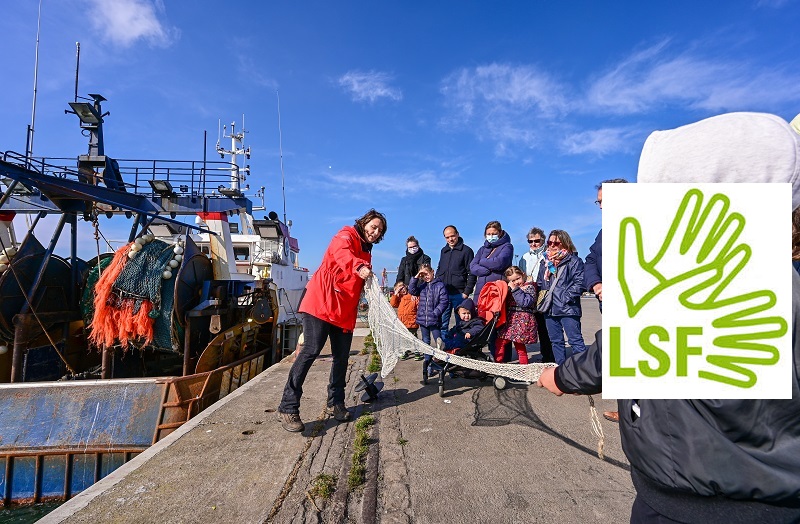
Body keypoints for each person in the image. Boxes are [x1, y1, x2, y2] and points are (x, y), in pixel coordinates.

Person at [538, 111, 800, 523]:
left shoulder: (692, 266)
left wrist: (560, 376)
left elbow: (625, 345)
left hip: (684, 500)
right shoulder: (778, 273)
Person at [277, 209, 387, 433]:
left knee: (342, 358)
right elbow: (342, 254)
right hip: (322, 302)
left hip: (344, 310)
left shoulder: (367, 252)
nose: (375, 232)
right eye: (373, 227)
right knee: (310, 350)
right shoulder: (346, 235)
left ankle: (335, 403)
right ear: (364, 223)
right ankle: (288, 407)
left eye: (380, 231)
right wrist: (359, 267)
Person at [584, 178, 628, 423]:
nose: (601, 207)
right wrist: (597, 284)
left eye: (605, 201)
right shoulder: (604, 231)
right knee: (621, 354)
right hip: (607, 301)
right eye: (598, 202)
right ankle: (627, 408)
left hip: (632, 304)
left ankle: (641, 412)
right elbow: (591, 259)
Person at [535, 229, 586, 365]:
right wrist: (542, 300)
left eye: (556, 243)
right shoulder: (545, 262)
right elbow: (541, 283)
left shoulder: (574, 261)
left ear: (564, 243)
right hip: (549, 308)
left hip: (567, 307)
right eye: (549, 242)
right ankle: (561, 370)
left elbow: (580, 283)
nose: (552, 245)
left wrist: (565, 297)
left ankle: (583, 370)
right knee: (556, 341)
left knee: (575, 340)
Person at [519, 227, 554, 363]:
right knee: (537, 327)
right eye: (530, 241)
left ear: (543, 240)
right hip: (530, 294)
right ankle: (543, 355)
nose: (533, 244)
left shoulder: (548, 254)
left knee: (546, 328)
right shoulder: (524, 257)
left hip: (544, 292)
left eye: (537, 241)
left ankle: (549, 357)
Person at [408, 263, 449, 377]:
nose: (426, 277)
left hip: (434, 319)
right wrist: (416, 277)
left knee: (438, 340)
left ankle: (440, 359)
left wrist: (435, 313)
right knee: (426, 342)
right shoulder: (422, 286)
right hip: (423, 320)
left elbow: (444, 301)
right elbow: (412, 290)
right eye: (423, 275)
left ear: (432, 272)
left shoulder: (440, 285)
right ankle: (429, 365)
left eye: (427, 274)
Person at [436, 225, 476, 332]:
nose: (450, 239)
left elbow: (472, 273)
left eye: (452, 236)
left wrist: (467, 292)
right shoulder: (443, 251)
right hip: (444, 294)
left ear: (457, 234)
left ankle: (459, 345)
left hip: (460, 294)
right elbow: (439, 270)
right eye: (447, 237)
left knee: (461, 323)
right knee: (443, 323)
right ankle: (445, 346)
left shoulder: (467, 251)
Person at [494, 266, 537, 365]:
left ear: (523, 275)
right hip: (511, 321)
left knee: (519, 346)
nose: (516, 282)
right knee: (501, 342)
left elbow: (525, 302)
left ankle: (523, 369)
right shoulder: (510, 289)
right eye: (513, 281)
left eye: (518, 278)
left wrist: (515, 289)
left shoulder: (529, 287)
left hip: (522, 322)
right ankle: (498, 364)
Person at [469, 220, 514, 311]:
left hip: (496, 289)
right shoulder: (482, 249)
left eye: (494, 233)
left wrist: (482, 261)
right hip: (480, 290)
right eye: (488, 234)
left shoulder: (507, 246)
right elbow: (473, 266)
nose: (491, 236)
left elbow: (499, 262)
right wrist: (485, 270)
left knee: (496, 320)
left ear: (500, 233)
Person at [389, 281, 420, 360]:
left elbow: (418, 306)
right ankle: (405, 351)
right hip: (402, 322)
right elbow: (392, 304)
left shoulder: (412, 296)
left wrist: (416, 297)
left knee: (413, 338)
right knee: (403, 339)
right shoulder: (399, 298)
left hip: (412, 321)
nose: (402, 289)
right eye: (400, 288)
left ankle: (417, 352)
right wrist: (395, 294)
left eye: (403, 287)